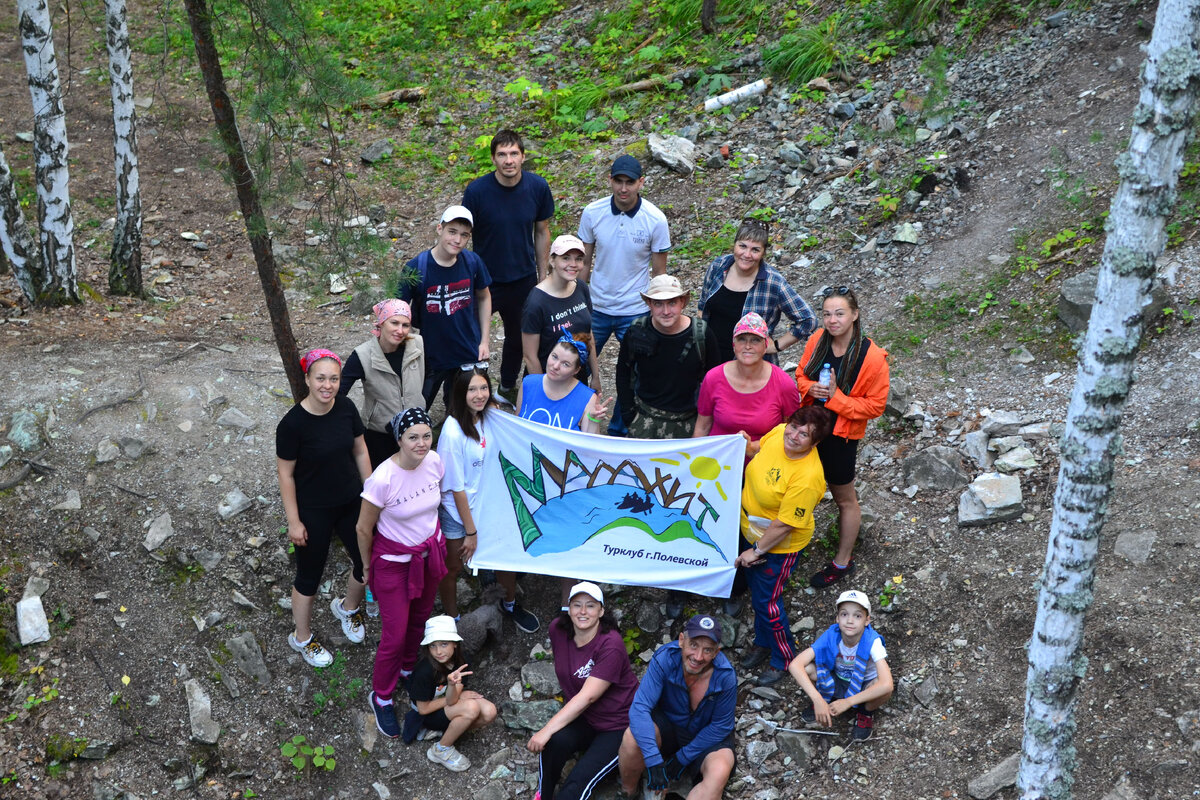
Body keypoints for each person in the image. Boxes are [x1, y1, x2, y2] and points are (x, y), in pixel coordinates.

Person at [276, 349, 371, 668]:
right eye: (321, 378)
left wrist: (371, 494)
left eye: (334, 378)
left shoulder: (345, 408)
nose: (327, 385)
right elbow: (286, 474)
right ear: (307, 380)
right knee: (309, 576)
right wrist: (293, 520)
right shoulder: (292, 425)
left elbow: (360, 451)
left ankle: (347, 607)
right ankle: (301, 637)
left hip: (351, 501)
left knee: (365, 562)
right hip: (313, 510)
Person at [358, 407, 447, 740]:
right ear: (399, 439)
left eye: (426, 435)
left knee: (420, 619)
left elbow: (435, 505)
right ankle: (381, 695)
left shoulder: (435, 462)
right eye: (413, 437)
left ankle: (409, 670)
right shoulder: (382, 478)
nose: (421, 444)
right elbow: (363, 528)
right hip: (394, 562)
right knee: (393, 635)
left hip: (428, 555)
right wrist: (366, 565)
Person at [795, 286, 890, 589]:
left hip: (841, 436)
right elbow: (800, 375)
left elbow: (875, 406)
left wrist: (836, 398)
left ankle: (842, 561)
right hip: (809, 429)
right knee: (796, 488)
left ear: (854, 315)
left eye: (839, 313)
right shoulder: (816, 341)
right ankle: (789, 548)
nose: (832, 320)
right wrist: (811, 389)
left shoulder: (872, 357)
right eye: (826, 314)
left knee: (844, 499)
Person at [436, 367, 540, 633]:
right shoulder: (452, 432)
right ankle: (452, 617)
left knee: (502, 555)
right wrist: (471, 531)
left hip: (490, 502)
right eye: (472, 389)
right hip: (459, 512)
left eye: (484, 388)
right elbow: (456, 489)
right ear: (460, 393)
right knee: (453, 565)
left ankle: (510, 603)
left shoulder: (488, 417)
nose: (479, 395)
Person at [736, 405, 832, 687]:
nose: (793, 435)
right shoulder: (778, 432)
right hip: (753, 532)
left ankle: (784, 657)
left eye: (804, 434)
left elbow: (785, 524)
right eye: (794, 426)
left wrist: (756, 551)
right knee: (758, 596)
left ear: (815, 442)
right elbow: (756, 449)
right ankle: (763, 641)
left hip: (778, 547)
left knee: (768, 602)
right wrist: (743, 443)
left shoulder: (808, 477)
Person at [578, 154, 671, 435]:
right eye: (618, 181)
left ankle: (618, 429)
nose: (623, 188)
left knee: (636, 372)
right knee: (575, 363)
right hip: (597, 305)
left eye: (630, 182)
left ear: (641, 182)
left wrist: (659, 311)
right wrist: (578, 303)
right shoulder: (593, 213)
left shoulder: (655, 220)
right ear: (610, 181)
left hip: (634, 308)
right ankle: (576, 422)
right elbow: (583, 263)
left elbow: (660, 275)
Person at [462, 129, 555, 406]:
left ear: (523, 156)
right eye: (502, 154)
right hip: (484, 281)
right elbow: (463, 235)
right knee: (474, 338)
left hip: (523, 277)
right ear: (493, 159)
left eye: (514, 153)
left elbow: (542, 232)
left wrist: (542, 277)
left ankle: (506, 386)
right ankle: (472, 393)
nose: (509, 160)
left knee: (518, 337)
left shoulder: (537, 187)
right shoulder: (477, 191)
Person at [527, 582, 639, 800]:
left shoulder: (611, 644)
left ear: (601, 611)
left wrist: (545, 729)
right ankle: (543, 794)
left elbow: (588, 696)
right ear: (568, 609)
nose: (583, 611)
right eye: (577, 605)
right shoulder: (558, 630)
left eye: (590, 606)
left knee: (577, 784)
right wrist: (550, 733)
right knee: (554, 742)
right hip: (586, 717)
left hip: (618, 724)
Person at [618, 615, 736, 800]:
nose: (698, 657)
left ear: (716, 652)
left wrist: (684, 756)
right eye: (694, 645)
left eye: (707, 650)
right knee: (632, 737)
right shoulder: (665, 659)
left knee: (720, 769)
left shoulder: (725, 676)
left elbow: (721, 725)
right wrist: (653, 759)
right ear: (682, 640)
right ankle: (628, 793)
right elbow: (640, 707)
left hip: (705, 737)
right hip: (669, 728)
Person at [397, 205, 492, 413]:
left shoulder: (472, 262)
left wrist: (484, 341)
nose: (457, 240)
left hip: (467, 351)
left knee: (461, 411)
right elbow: (398, 310)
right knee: (419, 407)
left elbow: (484, 296)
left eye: (464, 235)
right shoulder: (416, 267)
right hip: (431, 355)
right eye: (452, 232)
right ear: (439, 229)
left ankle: (450, 439)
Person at [697, 217, 817, 365]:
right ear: (734, 245)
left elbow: (808, 319)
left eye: (755, 250)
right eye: (742, 246)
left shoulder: (773, 282)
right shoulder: (718, 267)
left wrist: (777, 346)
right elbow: (702, 307)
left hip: (751, 367)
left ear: (763, 253)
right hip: (711, 360)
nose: (747, 254)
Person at [615, 274, 718, 441]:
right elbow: (623, 372)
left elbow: (714, 380)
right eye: (658, 304)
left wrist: (705, 423)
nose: (666, 311)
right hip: (644, 419)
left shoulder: (702, 334)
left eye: (672, 303)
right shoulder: (637, 331)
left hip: (689, 422)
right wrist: (628, 414)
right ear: (649, 304)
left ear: (683, 302)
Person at [693, 312, 801, 463]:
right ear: (733, 344)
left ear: (765, 346)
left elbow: (791, 434)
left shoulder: (784, 384)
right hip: (717, 469)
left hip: (763, 469)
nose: (748, 346)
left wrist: (754, 447)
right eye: (742, 339)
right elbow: (702, 427)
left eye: (755, 340)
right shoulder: (713, 378)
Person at [787, 589, 893, 741]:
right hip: (839, 678)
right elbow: (795, 665)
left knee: (882, 688)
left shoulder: (872, 641)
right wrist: (818, 700)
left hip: (863, 684)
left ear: (867, 620)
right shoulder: (832, 634)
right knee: (807, 669)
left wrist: (848, 702)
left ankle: (865, 712)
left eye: (857, 616)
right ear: (837, 618)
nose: (850, 621)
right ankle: (824, 701)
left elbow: (887, 684)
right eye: (844, 614)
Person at [338, 299, 426, 468]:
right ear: (381, 323)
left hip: (415, 429)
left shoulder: (418, 344)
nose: (400, 331)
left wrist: (420, 402)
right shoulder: (362, 355)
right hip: (379, 433)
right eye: (394, 323)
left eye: (405, 325)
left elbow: (429, 373)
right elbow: (340, 392)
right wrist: (352, 423)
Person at [404, 615, 498, 771]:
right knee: (471, 708)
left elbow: (453, 699)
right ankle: (441, 749)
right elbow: (423, 709)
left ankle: (449, 732)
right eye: (433, 646)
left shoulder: (461, 661)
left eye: (444, 644)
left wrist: (453, 688)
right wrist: (457, 695)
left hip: (448, 704)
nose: (438, 651)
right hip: (427, 714)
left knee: (490, 711)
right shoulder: (424, 670)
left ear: (455, 644)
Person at [521, 234, 601, 388]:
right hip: (548, 378)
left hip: (577, 378)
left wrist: (596, 376)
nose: (573, 264)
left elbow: (587, 334)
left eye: (578, 259)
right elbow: (530, 356)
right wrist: (544, 392)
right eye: (566, 258)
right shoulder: (536, 301)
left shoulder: (581, 288)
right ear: (552, 260)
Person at [517, 336, 612, 435]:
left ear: (576, 370)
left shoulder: (587, 398)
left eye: (565, 364)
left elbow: (590, 445)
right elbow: (515, 426)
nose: (555, 366)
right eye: (554, 357)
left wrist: (593, 421)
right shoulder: (529, 383)